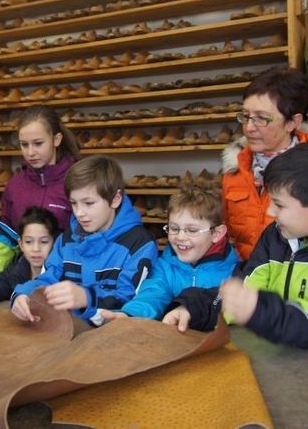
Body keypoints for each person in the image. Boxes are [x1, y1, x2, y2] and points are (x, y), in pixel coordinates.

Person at [164, 143, 308, 348]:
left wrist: (259, 311)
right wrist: (192, 308)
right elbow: (240, 291)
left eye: (279, 204)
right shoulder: (275, 237)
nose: (270, 212)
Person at [11, 155, 158, 326]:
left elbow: (131, 300)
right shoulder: (66, 240)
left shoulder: (140, 244)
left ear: (115, 199)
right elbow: (47, 279)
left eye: (88, 203)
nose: (79, 213)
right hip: (65, 333)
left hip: (114, 339)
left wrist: (86, 297)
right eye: (74, 203)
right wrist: (23, 294)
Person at [101, 185, 239, 321]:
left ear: (216, 233)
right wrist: (130, 314)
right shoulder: (165, 266)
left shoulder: (234, 271)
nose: (180, 237)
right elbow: (153, 294)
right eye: (174, 228)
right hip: (174, 336)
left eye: (191, 230)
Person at [222, 66, 308, 260]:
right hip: (247, 279)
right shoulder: (234, 170)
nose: (249, 127)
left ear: (292, 122)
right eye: (246, 116)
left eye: (262, 118)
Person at [1, 105, 80, 233]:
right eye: (24, 145)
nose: (30, 152)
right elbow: (7, 237)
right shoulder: (14, 185)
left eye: (38, 143)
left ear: (56, 139)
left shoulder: (79, 182)